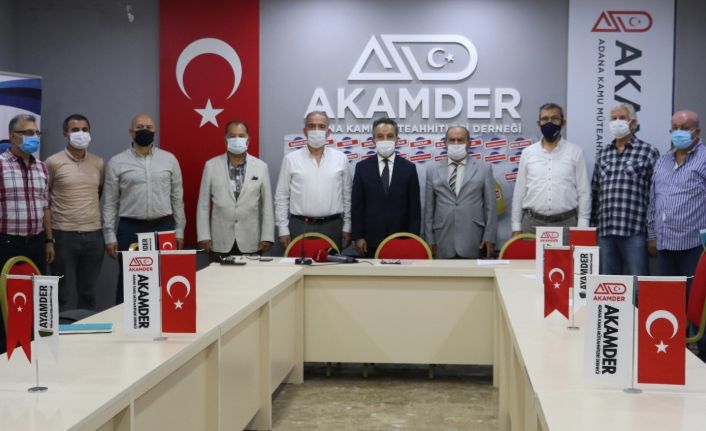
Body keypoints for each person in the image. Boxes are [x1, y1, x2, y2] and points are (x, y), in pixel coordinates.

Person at [103, 113, 186, 303]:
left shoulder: (169, 160)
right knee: (130, 282)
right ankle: (123, 318)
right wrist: (109, 234)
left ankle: (163, 318)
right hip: (130, 229)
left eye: (149, 127)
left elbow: (177, 198)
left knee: (164, 279)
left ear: (155, 131)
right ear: (131, 132)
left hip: (164, 228)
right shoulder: (117, 162)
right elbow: (110, 202)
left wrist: (179, 230)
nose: (145, 130)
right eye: (140, 127)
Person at [0, 114, 54, 354]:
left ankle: (34, 349)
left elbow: (45, 206)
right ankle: (6, 353)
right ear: (13, 136)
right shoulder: (1, 164)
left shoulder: (41, 167)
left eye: (36, 133)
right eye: (28, 133)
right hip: (7, 243)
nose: (34, 137)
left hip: (37, 243)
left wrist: (49, 240)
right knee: (7, 299)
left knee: (36, 299)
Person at [590, 104, 659, 275]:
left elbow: (657, 196)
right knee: (609, 285)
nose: (617, 122)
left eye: (622, 118)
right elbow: (595, 192)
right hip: (606, 231)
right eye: (613, 118)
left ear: (633, 123)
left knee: (639, 282)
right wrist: (593, 227)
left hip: (634, 231)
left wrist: (653, 234)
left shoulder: (649, 152)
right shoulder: (603, 153)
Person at [46, 114, 105, 310]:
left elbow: (97, 193)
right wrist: (49, 239)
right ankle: (59, 328)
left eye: (85, 130)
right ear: (65, 134)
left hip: (94, 235)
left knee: (88, 293)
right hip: (63, 235)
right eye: (75, 130)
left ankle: (85, 328)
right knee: (61, 293)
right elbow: (44, 198)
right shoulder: (52, 162)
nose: (81, 134)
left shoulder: (98, 163)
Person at [197, 120, 274, 261]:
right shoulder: (211, 166)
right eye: (232, 136)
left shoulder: (261, 167)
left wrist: (267, 236)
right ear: (225, 139)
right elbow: (203, 205)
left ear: (248, 139)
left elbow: (267, 205)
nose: (237, 139)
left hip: (251, 240)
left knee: (250, 276)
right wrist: (204, 236)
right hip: (220, 240)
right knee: (218, 275)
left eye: (241, 135)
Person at [275, 111, 351, 251]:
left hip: (333, 226)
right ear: (305, 131)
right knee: (298, 264)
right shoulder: (291, 159)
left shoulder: (341, 158)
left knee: (332, 264)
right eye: (312, 126)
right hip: (300, 225)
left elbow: (347, 195)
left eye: (321, 126)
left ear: (328, 132)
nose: (316, 130)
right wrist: (282, 228)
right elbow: (282, 196)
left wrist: (347, 226)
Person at [511, 103, 591, 235]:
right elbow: (519, 192)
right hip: (531, 225)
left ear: (563, 122)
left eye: (555, 119)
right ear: (539, 123)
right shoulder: (528, 153)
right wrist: (516, 226)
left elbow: (584, 192)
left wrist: (583, 226)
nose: (549, 123)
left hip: (566, 225)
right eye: (545, 119)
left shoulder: (576, 152)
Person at [648, 109, 706, 281]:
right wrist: (652, 235)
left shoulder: (704, 158)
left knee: (692, 295)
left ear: (697, 132)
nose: (679, 132)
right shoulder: (663, 160)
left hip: (694, 246)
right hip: (664, 245)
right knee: (667, 295)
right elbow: (653, 200)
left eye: (685, 128)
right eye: (675, 128)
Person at [351, 117, 421, 258]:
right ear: (373, 140)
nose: (385, 140)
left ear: (397, 139)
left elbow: (414, 209)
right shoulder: (362, 168)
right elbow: (357, 206)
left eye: (389, 136)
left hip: (401, 238)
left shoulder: (409, 168)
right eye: (380, 136)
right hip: (370, 240)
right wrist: (358, 236)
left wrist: (413, 238)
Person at [425, 126, 497, 258]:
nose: (456, 144)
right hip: (442, 238)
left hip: (473, 237)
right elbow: (429, 208)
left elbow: (490, 207)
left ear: (469, 143)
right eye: (452, 140)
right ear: (445, 143)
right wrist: (429, 238)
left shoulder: (484, 168)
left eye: (460, 140)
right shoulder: (432, 169)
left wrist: (490, 236)